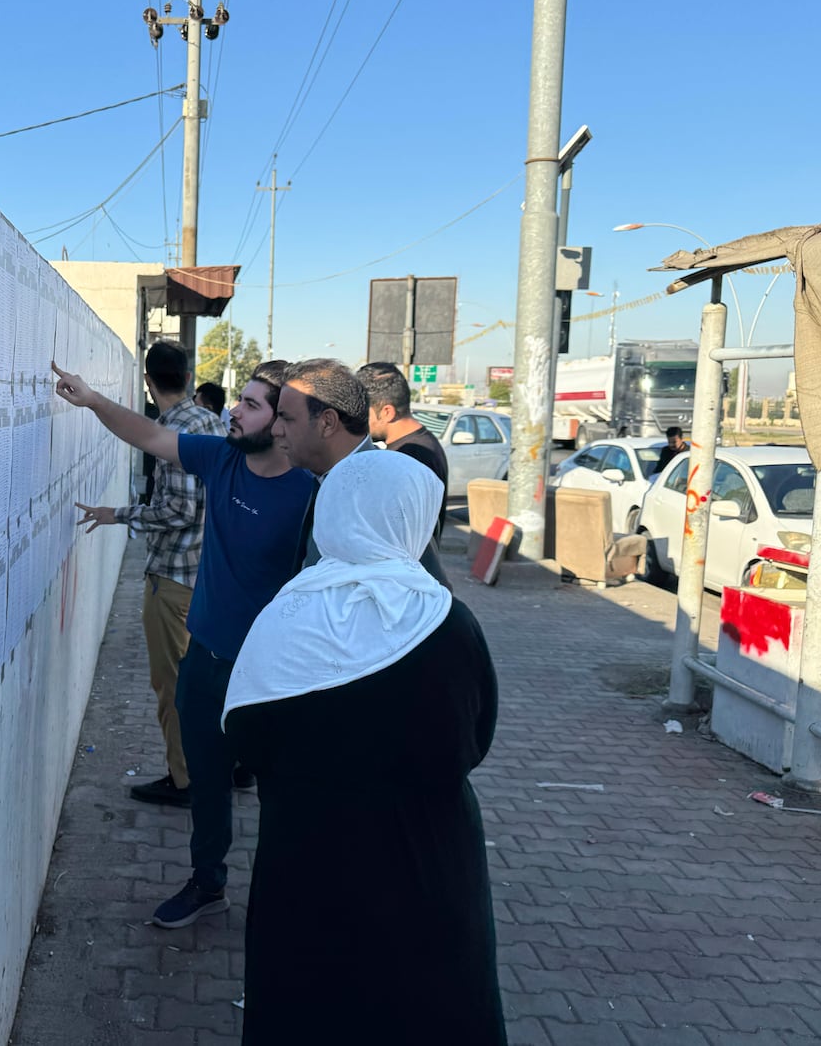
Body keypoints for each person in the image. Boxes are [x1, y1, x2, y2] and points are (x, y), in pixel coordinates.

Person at [223, 452, 504, 1044]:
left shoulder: (285, 617)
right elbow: (474, 741)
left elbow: (245, 738)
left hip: (308, 866)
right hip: (428, 866)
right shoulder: (448, 623)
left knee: (310, 1005)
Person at [51, 358, 312, 929]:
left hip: (274, 674)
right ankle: (207, 882)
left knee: (284, 792)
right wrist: (93, 400)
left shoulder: (310, 494)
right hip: (207, 658)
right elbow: (148, 433)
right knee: (208, 780)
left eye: (250, 404)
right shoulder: (221, 458)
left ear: (282, 421)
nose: (234, 412)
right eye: (238, 400)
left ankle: (286, 899)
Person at [73, 341, 225, 809]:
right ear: (187, 375)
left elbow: (178, 509)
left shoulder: (177, 428)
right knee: (194, 683)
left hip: (174, 580)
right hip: (202, 574)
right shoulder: (208, 420)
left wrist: (117, 514)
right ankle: (203, 772)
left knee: (173, 687)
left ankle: (186, 781)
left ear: (148, 381)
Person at [271, 358, 450, 587]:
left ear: (327, 422)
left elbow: (428, 590)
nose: (276, 430)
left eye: (286, 418)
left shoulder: (383, 488)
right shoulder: (324, 477)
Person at [357, 361, 449, 539]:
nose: (358, 420)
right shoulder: (420, 445)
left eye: (363, 413)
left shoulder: (412, 455)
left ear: (387, 412)